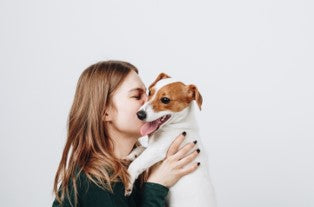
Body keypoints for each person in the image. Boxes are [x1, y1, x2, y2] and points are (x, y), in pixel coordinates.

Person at [52, 60, 201, 207]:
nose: (148, 102)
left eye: (148, 93)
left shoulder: (135, 171)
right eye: (137, 96)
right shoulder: (93, 182)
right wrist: (156, 186)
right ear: (105, 112)